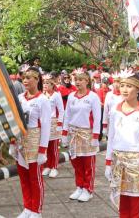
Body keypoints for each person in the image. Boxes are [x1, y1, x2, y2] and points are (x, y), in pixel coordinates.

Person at [105, 70, 139, 218]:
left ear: (138, 88)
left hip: (137, 164)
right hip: (118, 161)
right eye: (122, 85)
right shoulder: (115, 110)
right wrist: (108, 163)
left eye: (129, 86)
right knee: (123, 203)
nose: (124, 90)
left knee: (137, 205)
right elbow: (111, 138)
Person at [9, 66, 51, 218]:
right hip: (21, 141)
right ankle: (27, 207)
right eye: (24, 78)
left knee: (35, 177)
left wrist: (42, 150)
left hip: (34, 141)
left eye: (29, 77)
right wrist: (13, 143)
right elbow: (15, 121)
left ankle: (36, 210)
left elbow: (46, 126)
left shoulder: (43, 100)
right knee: (23, 176)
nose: (25, 80)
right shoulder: (20, 98)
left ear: (37, 79)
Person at [61, 68, 101, 202]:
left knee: (87, 163)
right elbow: (67, 115)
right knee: (76, 162)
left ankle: (88, 189)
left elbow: (97, 117)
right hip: (73, 133)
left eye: (81, 80)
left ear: (87, 81)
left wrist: (96, 136)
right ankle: (79, 186)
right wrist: (64, 133)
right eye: (76, 80)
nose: (77, 82)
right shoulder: (71, 96)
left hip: (86, 133)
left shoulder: (93, 97)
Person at [42, 74, 64, 178]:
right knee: (45, 145)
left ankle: (54, 166)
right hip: (44, 123)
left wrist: (59, 124)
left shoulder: (56, 95)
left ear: (52, 85)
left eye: (47, 83)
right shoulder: (42, 95)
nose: (45, 85)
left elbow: (61, 110)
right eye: (44, 83)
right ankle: (47, 165)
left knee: (53, 146)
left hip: (53, 122)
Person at [102, 72, 123, 137]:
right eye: (115, 82)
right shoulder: (109, 94)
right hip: (111, 122)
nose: (116, 84)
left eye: (118, 82)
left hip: (122, 123)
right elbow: (105, 110)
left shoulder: (125, 95)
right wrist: (104, 126)